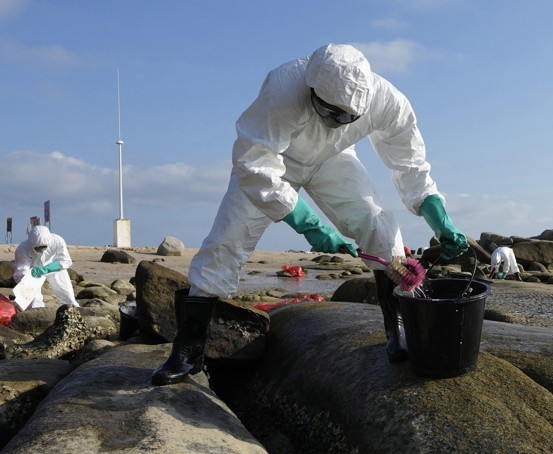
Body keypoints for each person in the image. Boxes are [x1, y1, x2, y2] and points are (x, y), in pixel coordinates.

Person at [152, 43, 468, 386]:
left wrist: (439, 217)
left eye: (348, 117)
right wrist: (308, 223)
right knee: (225, 243)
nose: (339, 122)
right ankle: (188, 350)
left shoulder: (389, 101)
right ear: (313, 90)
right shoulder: (284, 87)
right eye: (332, 113)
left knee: (378, 223)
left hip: (333, 159)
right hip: (273, 163)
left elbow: (410, 164)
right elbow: (254, 162)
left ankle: (398, 328)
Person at [12, 224, 80, 310]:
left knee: (66, 292)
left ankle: (73, 310)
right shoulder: (23, 249)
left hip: (54, 266)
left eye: (44, 247)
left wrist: (47, 269)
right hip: (33, 271)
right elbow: (21, 271)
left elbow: (66, 261)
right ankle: (37, 312)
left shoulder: (57, 241)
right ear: (32, 244)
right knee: (33, 298)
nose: (42, 250)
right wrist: (27, 279)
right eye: (38, 248)